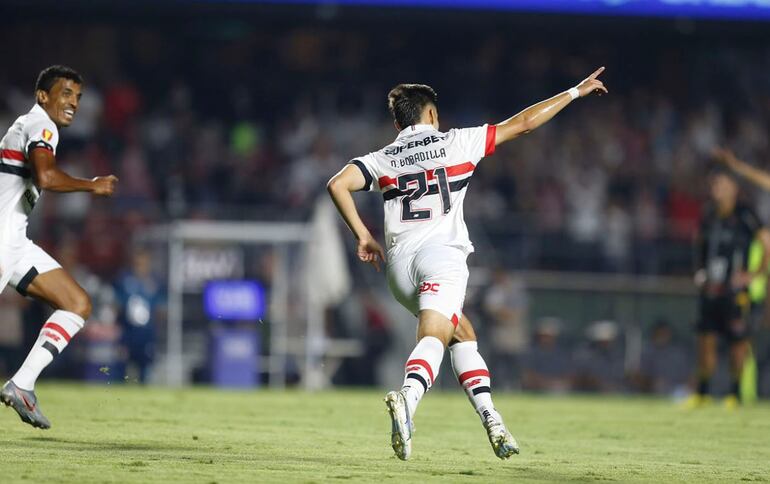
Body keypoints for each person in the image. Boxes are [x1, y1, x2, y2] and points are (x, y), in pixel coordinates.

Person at [327, 68, 607, 460]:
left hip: (398, 270)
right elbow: (524, 123)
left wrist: (363, 235)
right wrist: (573, 93)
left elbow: (337, 184)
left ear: (397, 122)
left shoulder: (384, 156)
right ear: (431, 116)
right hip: (440, 258)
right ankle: (407, 399)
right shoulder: (457, 142)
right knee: (435, 336)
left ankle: (492, 418)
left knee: (464, 334)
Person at [0, 65, 118, 429]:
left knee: (77, 304)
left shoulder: (32, 126)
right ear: (42, 96)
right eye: (65, 93)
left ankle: (22, 384)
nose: (74, 103)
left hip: (14, 240)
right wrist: (92, 184)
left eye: (78, 97)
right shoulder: (41, 125)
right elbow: (46, 177)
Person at [686, 165, 770, 409]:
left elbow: (766, 244)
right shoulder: (709, 213)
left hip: (736, 291)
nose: (717, 190)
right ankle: (703, 392)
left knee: (737, 343)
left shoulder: (746, 214)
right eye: (714, 185)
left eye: (721, 184)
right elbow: (699, 241)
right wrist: (699, 270)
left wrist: (753, 274)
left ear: (734, 188)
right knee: (705, 340)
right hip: (711, 287)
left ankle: (735, 394)